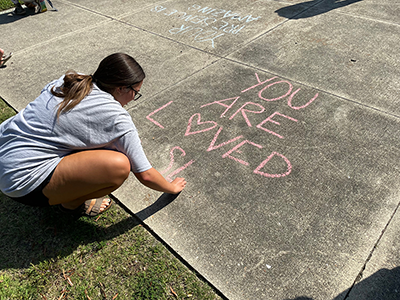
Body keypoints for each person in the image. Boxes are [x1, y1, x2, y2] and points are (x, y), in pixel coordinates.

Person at [0, 53, 187, 217]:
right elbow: (145, 175)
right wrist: (172, 187)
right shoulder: (116, 117)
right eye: (136, 93)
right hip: (21, 183)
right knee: (119, 166)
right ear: (121, 88)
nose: (133, 98)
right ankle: (71, 205)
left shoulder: (72, 80)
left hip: (5, 149)